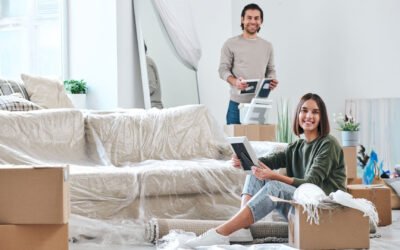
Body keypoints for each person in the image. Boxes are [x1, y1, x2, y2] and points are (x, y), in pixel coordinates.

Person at [185, 93, 347, 248]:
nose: (309, 116)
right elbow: (266, 161)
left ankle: (221, 233)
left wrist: (273, 175)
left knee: (274, 186)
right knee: (256, 169)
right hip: (301, 209)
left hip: (321, 210)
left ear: (321, 118)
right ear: (298, 114)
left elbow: (311, 183)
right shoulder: (296, 146)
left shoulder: (328, 144)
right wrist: (243, 160)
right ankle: (243, 229)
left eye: (315, 112)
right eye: (304, 110)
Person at [219, 3, 278, 125]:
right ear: (242, 19)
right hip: (236, 105)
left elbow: (271, 69)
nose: (253, 21)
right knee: (235, 142)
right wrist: (235, 82)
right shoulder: (230, 44)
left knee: (258, 143)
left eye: (256, 18)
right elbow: (223, 69)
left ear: (261, 21)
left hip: (259, 105)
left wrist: (272, 80)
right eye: (249, 17)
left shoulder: (267, 46)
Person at [145, 43, 164, 109]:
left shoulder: (146, 61)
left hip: (153, 108)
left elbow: (151, 87)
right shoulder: (146, 61)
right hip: (152, 107)